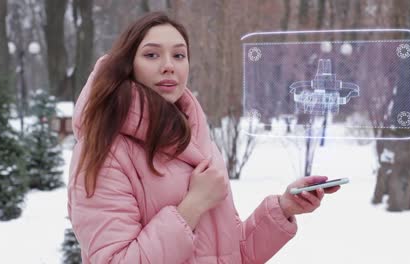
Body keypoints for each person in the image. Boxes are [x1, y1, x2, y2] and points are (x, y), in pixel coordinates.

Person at [67, 11, 340, 264]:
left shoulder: (196, 140)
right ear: (127, 65)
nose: (168, 66)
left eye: (179, 55)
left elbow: (231, 253)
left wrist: (283, 208)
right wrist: (193, 205)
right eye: (151, 55)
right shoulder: (104, 150)